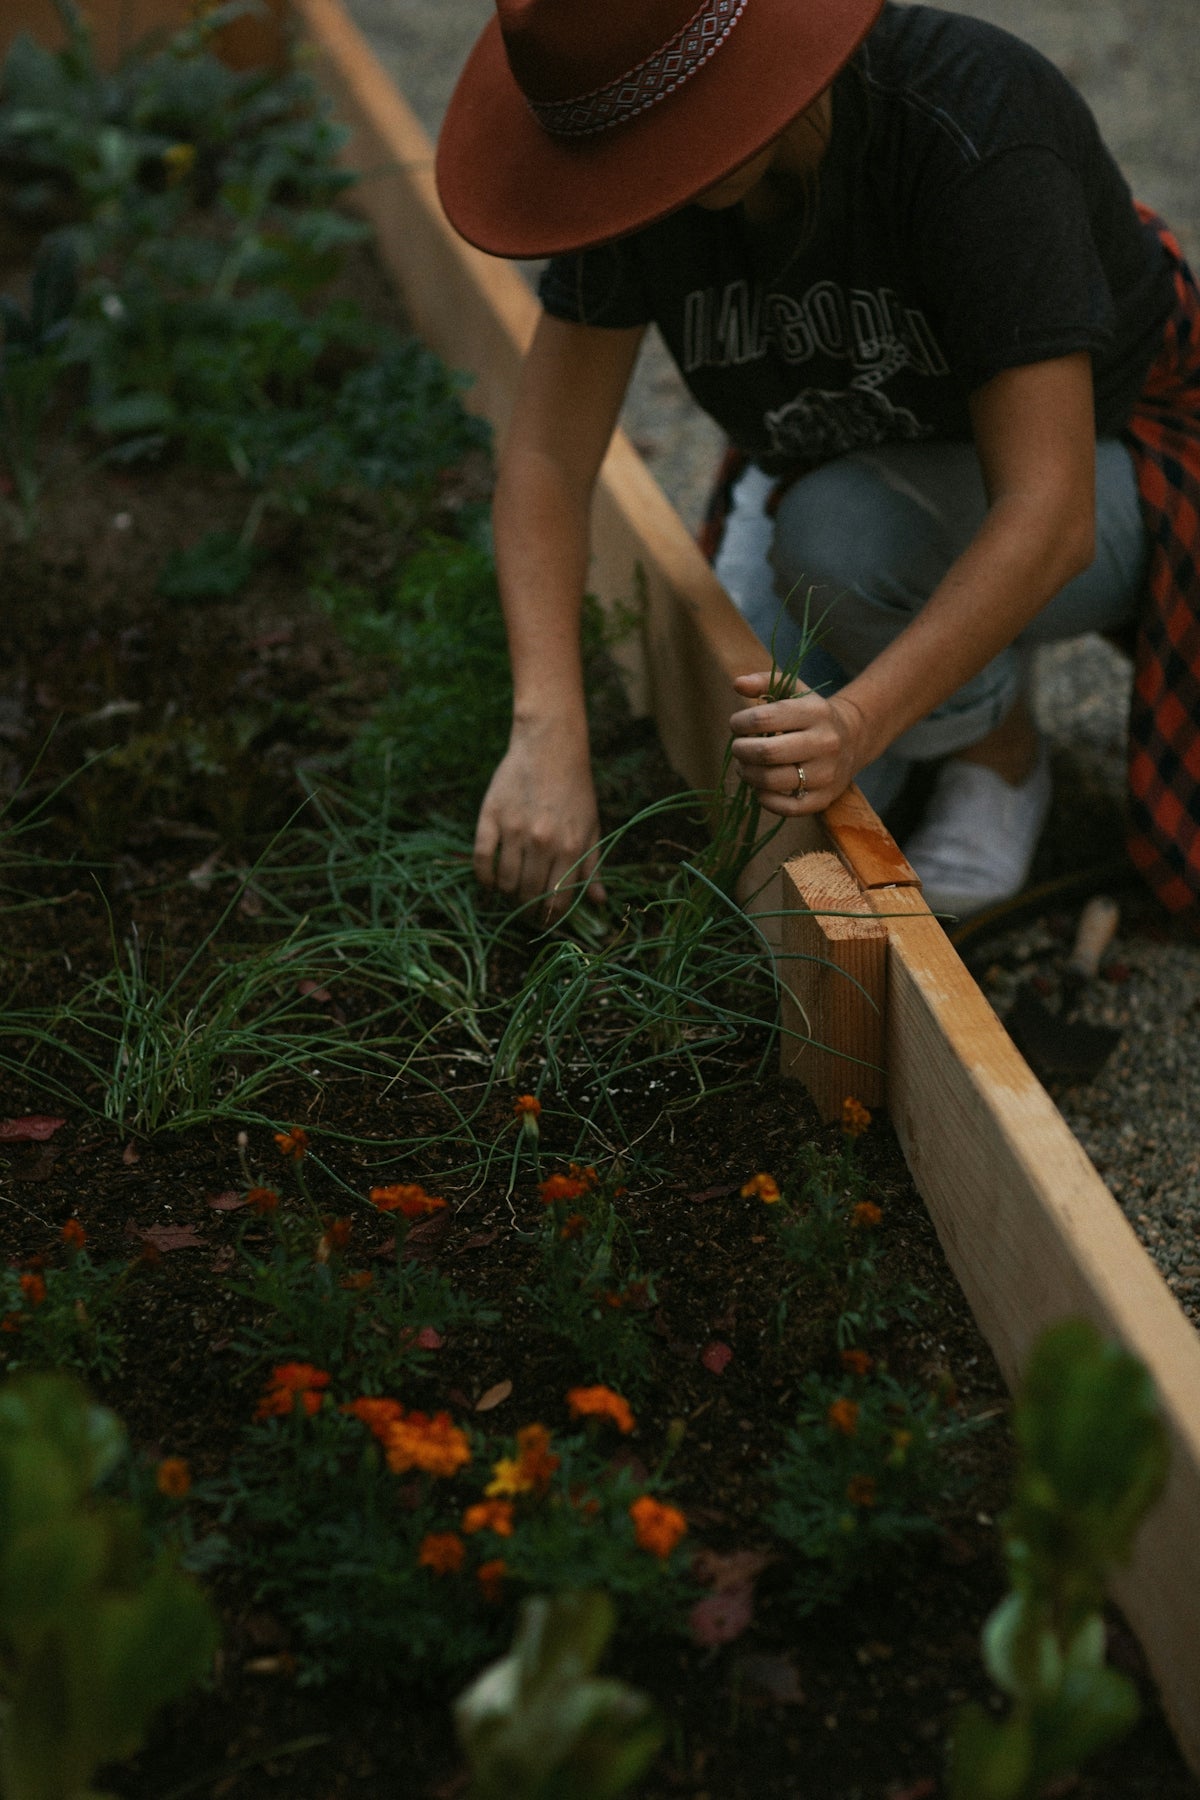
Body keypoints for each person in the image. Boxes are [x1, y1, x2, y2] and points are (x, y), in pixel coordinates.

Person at [435, 0, 1200, 919]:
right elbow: (549, 460)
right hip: (859, 439)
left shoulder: (970, 123)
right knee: (742, 747)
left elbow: (1050, 514)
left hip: (1110, 460)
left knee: (834, 543)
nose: (645, 188)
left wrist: (859, 722)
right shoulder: (625, 155)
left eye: (668, 147)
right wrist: (547, 735)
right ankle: (944, 661)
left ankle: (997, 751)